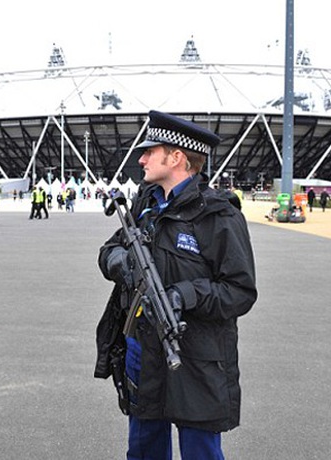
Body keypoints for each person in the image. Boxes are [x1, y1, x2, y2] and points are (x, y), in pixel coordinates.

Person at [95, 110, 258, 459]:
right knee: (143, 449)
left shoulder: (218, 215)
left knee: (200, 452)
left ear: (177, 156)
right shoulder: (143, 205)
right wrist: (118, 262)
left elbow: (240, 291)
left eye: (149, 151)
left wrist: (185, 294)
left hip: (196, 356)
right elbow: (109, 249)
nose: (140, 159)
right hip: (143, 349)